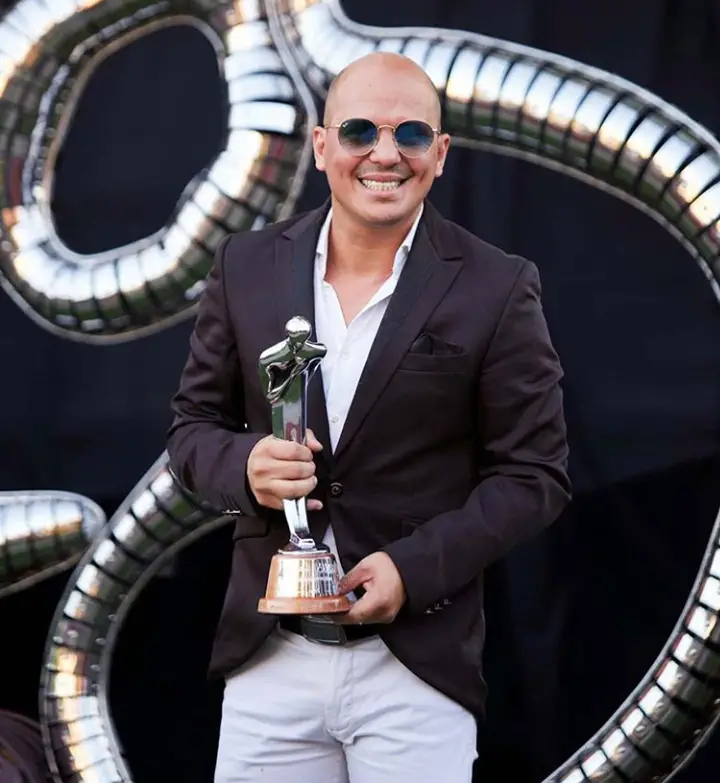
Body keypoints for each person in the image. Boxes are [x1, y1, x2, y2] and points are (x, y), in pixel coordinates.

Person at [166, 51, 571, 783]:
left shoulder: (498, 285)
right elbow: (192, 428)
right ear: (322, 147)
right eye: (360, 131)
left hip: (416, 669)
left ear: (439, 154)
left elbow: (534, 475)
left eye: (410, 134)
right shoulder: (245, 266)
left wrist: (411, 570)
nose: (385, 154)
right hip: (268, 658)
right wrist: (246, 466)